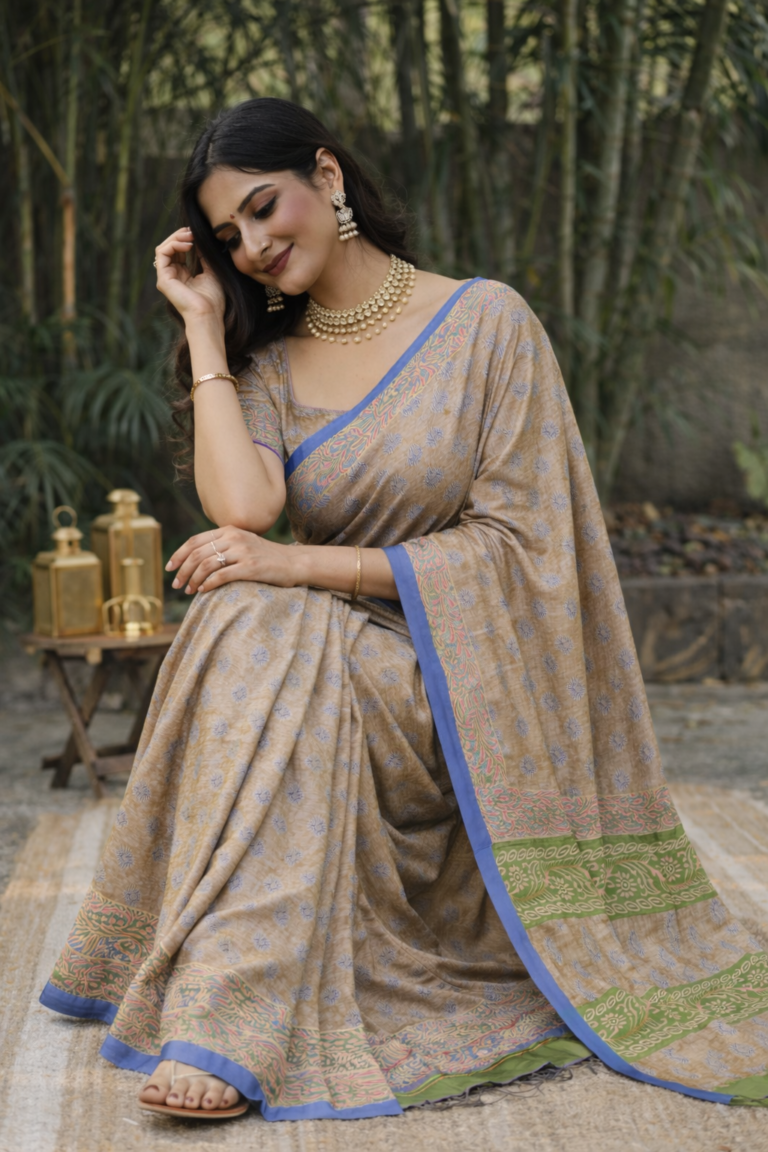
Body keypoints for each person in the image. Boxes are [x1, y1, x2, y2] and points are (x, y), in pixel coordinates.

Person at [41, 98, 768, 1121]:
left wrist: (301, 567)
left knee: (263, 610)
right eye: (228, 236)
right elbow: (243, 511)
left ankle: (233, 1008)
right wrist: (204, 325)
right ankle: (235, 1002)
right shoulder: (272, 364)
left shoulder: (487, 326)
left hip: (461, 687)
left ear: (328, 176)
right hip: (319, 671)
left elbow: (523, 551)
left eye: (263, 208)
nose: (253, 246)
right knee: (250, 616)